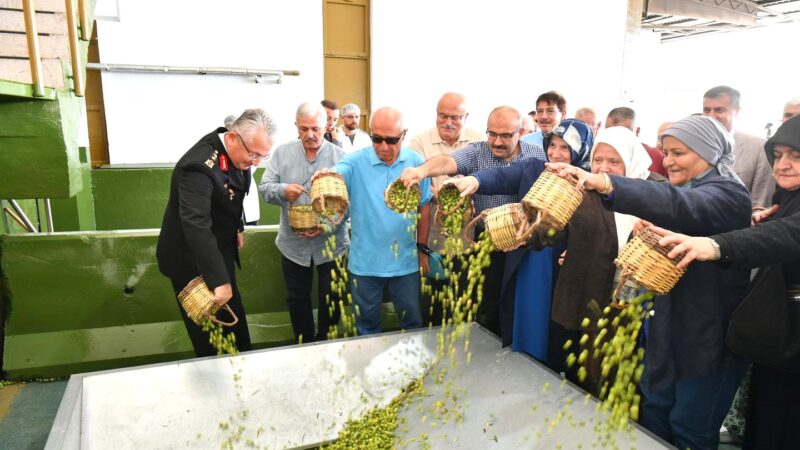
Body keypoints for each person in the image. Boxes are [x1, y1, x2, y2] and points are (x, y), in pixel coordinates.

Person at [549, 115, 752, 450]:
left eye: (678, 153)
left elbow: (684, 205)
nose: (668, 160)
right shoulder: (685, 185)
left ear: (708, 152)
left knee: (689, 428)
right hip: (665, 330)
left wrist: (604, 181)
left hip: (706, 338)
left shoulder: (727, 193)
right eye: (665, 152)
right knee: (654, 415)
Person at [652, 115, 800, 450]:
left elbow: (792, 233)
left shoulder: (725, 191)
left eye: (796, 156)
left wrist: (717, 244)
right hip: (778, 339)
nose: (783, 166)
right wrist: (761, 224)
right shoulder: (784, 199)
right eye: (778, 156)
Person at [450, 119, 594, 360]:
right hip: (530, 255)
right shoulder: (535, 168)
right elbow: (502, 177)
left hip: (562, 264)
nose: (556, 154)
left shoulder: (588, 183)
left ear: (580, 152)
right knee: (528, 309)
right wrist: (474, 181)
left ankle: (554, 366)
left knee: (557, 321)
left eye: (565, 148)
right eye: (553, 145)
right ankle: (526, 358)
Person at [400, 106, 546, 342]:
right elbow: (449, 161)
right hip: (485, 241)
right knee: (484, 302)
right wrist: (421, 171)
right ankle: (484, 346)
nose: (497, 142)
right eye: (492, 134)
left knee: (516, 301)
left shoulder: (536, 155)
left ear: (520, 132)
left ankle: (514, 349)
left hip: (524, 242)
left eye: (505, 135)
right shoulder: (477, 152)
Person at [538, 126, 659, 393]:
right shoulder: (582, 190)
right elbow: (551, 231)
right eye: (598, 160)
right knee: (587, 376)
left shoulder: (656, 192)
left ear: (631, 160)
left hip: (634, 304)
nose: (603, 167)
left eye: (614, 161)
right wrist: (529, 227)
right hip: (589, 298)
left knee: (626, 378)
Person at [156, 109, 276, 357]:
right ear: (232, 138)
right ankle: (213, 385)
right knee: (209, 334)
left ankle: (242, 371)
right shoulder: (198, 167)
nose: (256, 163)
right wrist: (220, 281)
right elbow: (196, 224)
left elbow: (231, 195)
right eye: (254, 155)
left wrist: (236, 227)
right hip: (189, 259)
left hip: (218, 250)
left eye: (262, 156)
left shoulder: (239, 154)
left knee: (236, 326)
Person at [326, 106, 432, 335]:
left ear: (404, 134)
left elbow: (425, 206)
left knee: (412, 323)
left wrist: (422, 250)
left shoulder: (416, 163)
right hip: (365, 264)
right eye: (377, 139)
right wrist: (328, 176)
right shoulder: (354, 162)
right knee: (366, 327)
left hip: (405, 264)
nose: (383, 147)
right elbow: (338, 171)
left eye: (391, 140)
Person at [259, 102, 348, 343]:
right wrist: (282, 190)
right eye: (304, 128)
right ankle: (305, 344)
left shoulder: (341, 157)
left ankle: (327, 342)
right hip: (293, 245)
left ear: (327, 126)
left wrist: (327, 226)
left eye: (316, 129)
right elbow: (264, 187)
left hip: (331, 245)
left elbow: (350, 203)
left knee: (332, 297)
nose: (310, 134)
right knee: (297, 298)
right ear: (296, 127)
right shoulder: (281, 153)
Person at [408, 92, 483, 324]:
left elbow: (483, 178)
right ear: (436, 114)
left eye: (456, 117)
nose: (448, 122)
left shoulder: (478, 141)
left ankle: (461, 349)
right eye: (443, 116)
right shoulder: (419, 142)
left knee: (464, 301)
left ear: (466, 116)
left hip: (467, 239)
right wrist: (433, 191)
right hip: (432, 237)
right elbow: (420, 182)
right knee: (433, 303)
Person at [703, 85, 775, 210]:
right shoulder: (691, 145)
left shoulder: (758, 147)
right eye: (706, 110)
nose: (711, 116)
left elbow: (760, 202)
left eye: (719, 110)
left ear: (737, 112)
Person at [605, 106, 668, 177]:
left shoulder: (655, 156)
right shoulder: (599, 157)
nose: (616, 139)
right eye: (609, 133)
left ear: (637, 131)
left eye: (624, 134)